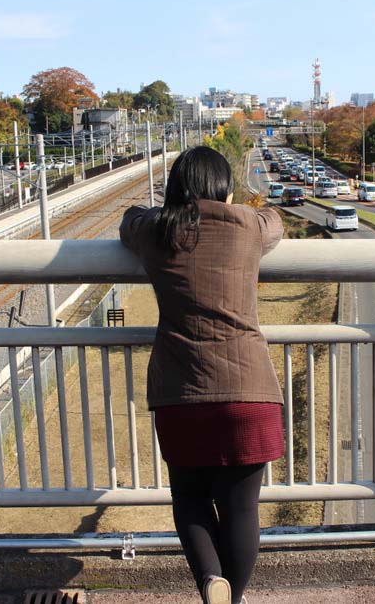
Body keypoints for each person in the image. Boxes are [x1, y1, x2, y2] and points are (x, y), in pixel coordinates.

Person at [119, 146, 284, 604]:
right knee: (241, 508)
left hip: (179, 392)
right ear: (224, 189)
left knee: (190, 498)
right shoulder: (248, 225)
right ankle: (232, 599)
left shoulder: (156, 229)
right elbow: (274, 219)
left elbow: (129, 218)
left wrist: (160, 208)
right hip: (248, 391)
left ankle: (211, 579)